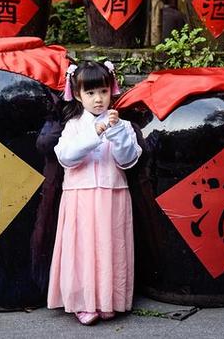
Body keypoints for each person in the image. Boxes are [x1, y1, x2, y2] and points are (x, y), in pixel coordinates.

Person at [47, 60, 142, 325]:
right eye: (90, 93)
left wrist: (117, 133)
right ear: (77, 95)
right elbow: (67, 157)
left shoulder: (121, 124)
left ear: (111, 90)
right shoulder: (74, 125)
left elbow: (128, 160)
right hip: (81, 196)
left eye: (102, 91)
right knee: (83, 249)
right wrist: (95, 132)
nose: (98, 99)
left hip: (113, 193)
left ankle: (109, 300)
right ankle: (83, 302)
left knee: (111, 247)